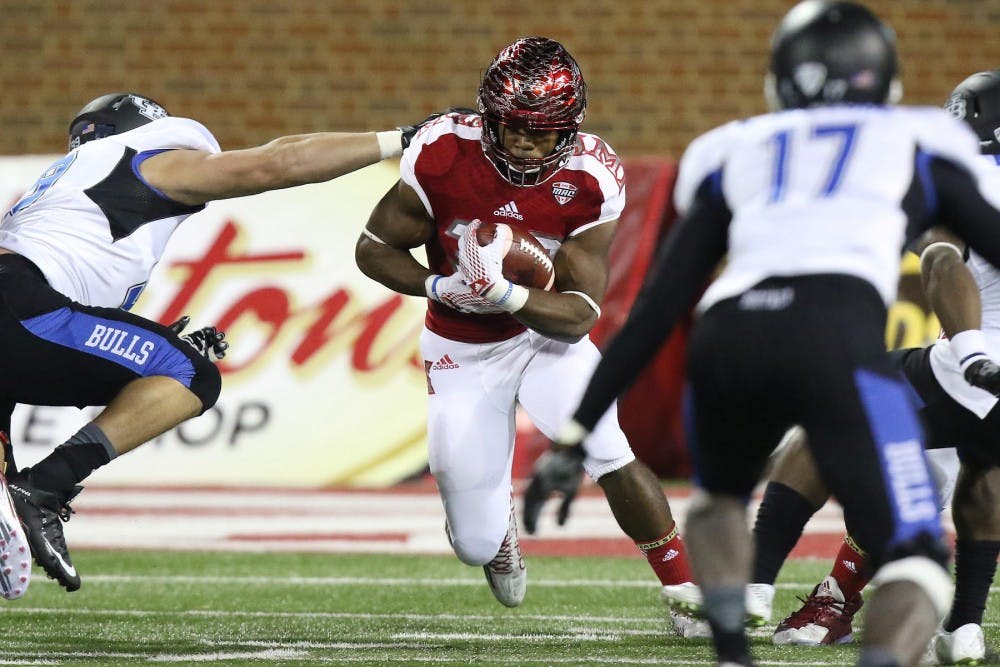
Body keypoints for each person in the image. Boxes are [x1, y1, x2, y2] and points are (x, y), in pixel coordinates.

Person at [544, 1, 1000, 665]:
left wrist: (579, 429)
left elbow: (657, 306)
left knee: (719, 500)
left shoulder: (733, 147)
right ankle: (897, 641)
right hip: (834, 331)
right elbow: (953, 252)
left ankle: (733, 646)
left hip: (727, 335)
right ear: (888, 81)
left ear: (778, 79)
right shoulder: (919, 141)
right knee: (920, 551)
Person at [355, 36, 705, 634]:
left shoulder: (592, 178)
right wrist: (438, 287)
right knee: (471, 542)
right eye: (509, 125)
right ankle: (497, 531)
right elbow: (373, 248)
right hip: (460, 343)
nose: (521, 141)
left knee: (605, 446)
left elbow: (581, 314)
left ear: (569, 128)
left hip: (545, 338)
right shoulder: (442, 152)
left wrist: (507, 295)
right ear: (485, 115)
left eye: (539, 131)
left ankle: (687, 594)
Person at [0, 92, 412, 594]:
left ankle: (28, 492)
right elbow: (277, 163)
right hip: (20, 307)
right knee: (189, 374)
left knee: (3, 494)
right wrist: (398, 142)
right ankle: (46, 487)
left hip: (20, 321)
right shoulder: (145, 156)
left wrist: (144, 345)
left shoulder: (61, 186)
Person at [749, 69, 1000, 665]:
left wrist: (971, 351)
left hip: (973, 363)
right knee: (976, 464)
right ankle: (962, 626)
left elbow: (941, 254)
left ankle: (758, 587)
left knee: (831, 413)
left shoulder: (968, 178)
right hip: (972, 384)